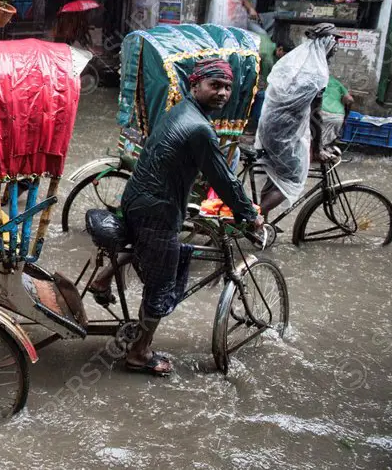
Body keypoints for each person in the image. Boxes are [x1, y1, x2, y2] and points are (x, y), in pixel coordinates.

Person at [87, 58, 262, 376]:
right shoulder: (200, 129)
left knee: (155, 249)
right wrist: (249, 215)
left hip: (137, 200)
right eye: (215, 85)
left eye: (226, 87)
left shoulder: (182, 111)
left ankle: (104, 277)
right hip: (156, 211)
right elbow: (223, 179)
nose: (222, 92)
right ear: (195, 86)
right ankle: (139, 353)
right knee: (162, 284)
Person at [256, 22, 345, 215]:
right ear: (326, 43)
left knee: (277, 175)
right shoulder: (317, 73)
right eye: (334, 42)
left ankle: (262, 223)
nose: (336, 48)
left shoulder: (294, 62)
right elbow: (315, 115)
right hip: (284, 134)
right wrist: (319, 148)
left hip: (268, 127)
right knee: (293, 178)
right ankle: (254, 219)